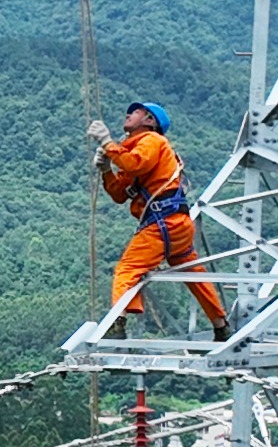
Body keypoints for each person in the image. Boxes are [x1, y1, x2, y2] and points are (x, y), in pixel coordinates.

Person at [93, 98, 230, 336]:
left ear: (149, 120)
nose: (128, 115)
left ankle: (118, 323)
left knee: (128, 268)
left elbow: (136, 164)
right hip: (176, 223)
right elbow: (119, 193)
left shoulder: (152, 141)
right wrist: (107, 170)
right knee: (191, 270)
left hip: (161, 222)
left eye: (135, 112)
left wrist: (108, 144)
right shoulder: (136, 148)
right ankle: (221, 326)